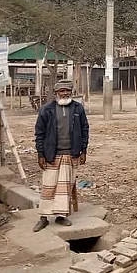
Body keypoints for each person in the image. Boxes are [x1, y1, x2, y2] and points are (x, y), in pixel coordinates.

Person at [33, 79, 89, 232]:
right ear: (56, 93)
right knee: (48, 187)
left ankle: (61, 216)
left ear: (71, 92)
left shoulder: (78, 109)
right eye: (61, 91)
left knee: (65, 188)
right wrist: (40, 154)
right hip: (51, 154)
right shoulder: (47, 109)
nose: (65, 93)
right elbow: (39, 133)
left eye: (67, 90)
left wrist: (83, 150)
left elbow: (85, 130)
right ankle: (43, 218)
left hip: (71, 155)